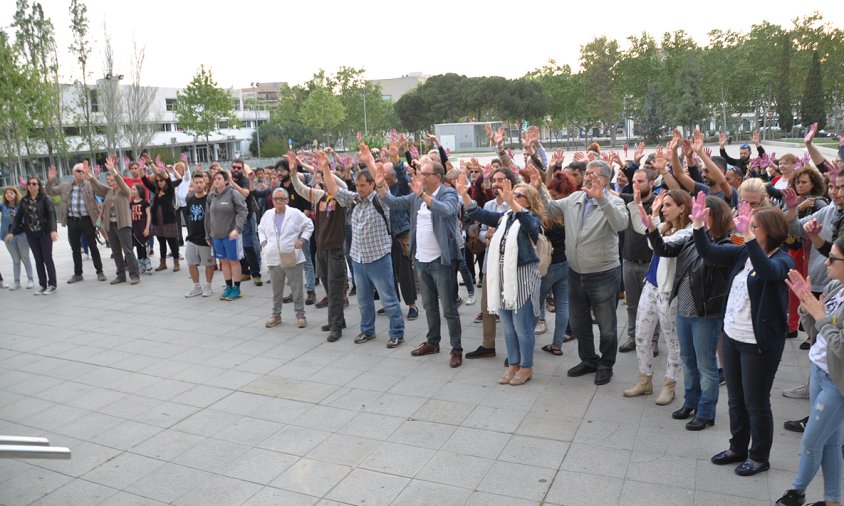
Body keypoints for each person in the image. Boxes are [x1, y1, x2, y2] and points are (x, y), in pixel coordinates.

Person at [694, 201, 793, 477]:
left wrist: (748, 239)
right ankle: (737, 447)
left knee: (756, 402)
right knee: (736, 399)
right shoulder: (743, 253)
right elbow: (709, 252)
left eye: (754, 225)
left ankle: (759, 456)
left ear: (769, 231)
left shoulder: (782, 260)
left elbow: (767, 272)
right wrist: (699, 225)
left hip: (758, 344)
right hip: (733, 337)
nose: (746, 228)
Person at [537, 160, 629, 385]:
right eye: (588, 173)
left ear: (606, 180)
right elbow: (549, 208)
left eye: (595, 175)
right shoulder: (575, 198)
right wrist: (538, 187)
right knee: (579, 323)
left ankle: (606, 364)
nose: (588, 177)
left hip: (603, 273)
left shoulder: (615, 202)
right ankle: (589, 360)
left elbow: (620, 224)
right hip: (575, 272)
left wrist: (601, 198)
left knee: (607, 326)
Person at [375, 153, 464, 363]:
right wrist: (380, 187)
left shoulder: (448, 193)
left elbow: (448, 211)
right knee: (429, 305)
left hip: (441, 261)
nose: (421, 176)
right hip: (422, 260)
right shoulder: (416, 196)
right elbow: (393, 203)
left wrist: (424, 196)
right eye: (420, 173)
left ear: (438, 176)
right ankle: (433, 342)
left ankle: (456, 348)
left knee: (449, 308)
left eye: (425, 173)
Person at [776, 245, 844, 506]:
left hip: (837, 382)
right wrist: (806, 305)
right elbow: (815, 328)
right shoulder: (836, 287)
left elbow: (839, 346)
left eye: (833, 258)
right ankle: (832, 502)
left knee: (811, 441)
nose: (825, 263)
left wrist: (818, 314)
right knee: (830, 441)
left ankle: (797, 491)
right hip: (819, 371)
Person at [459, 175, 543, 384]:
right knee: (508, 326)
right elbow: (480, 213)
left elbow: (531, 227)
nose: (511, 197)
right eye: (512, 194)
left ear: (528, 201)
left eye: (517, 195)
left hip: (521, 279)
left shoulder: (530, 218)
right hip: (503, 278)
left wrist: (512, 203)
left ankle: (526, 367)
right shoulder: (505, 217)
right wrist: (464, 196)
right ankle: (513, 363)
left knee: (522, 327)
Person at [324, 146, 405, 349]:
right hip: (358, 259)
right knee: (363, 300)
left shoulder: (380, 200)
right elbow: (333, 189)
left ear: (371, 185)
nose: (359, 189)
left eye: (363, 185)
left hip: (379, 259)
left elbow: (382, 185)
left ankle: (396, 332)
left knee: (388, 300)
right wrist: (325, 168)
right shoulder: (353, 200)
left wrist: (369, 160)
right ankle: (367, 330)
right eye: (357, 185)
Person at [623, 188, 693, 406]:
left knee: (673, 341)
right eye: (663, 205)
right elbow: (647, 236)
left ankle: (669, 385)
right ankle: (645, 380)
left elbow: (662, 247)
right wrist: (645, 211)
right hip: (651, 286)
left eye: (668, 205)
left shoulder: (688, 233)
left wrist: (651, 224)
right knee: (642, 336)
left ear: (682, 208)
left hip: (669, 293)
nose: (664, 209)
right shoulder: (665, 226)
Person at [258, 187, 313, 329]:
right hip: (273, 255)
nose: (278, 201)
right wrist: (264, 243)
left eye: (281, 199)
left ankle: (300, 315)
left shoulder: (295, 214)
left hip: (290, 254)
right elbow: (260, 229)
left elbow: (309, 225)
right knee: (277, 289)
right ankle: (276, 315)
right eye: (276, 199)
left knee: (296, 287)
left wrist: (302, 240)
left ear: (287, 200)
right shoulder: (268, 214)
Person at [534, 171, 576, 354]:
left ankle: (525, 343)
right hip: (565, 263)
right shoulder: (571, 211)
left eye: (555, 194)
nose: (551, 198)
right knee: (563, 305)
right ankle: (557, 345)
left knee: (535, 306)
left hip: (547, 266)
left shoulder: (548, 214)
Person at [46, 162, 107, 283]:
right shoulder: (66, 186)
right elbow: (50, 192)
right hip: (72, 220)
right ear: (73, 173)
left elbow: (102, 192)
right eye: (79, 171)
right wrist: (50, 180)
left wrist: (92, 178)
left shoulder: (90, 185)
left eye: (83, 171)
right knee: (75, 248)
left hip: (87, 220)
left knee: (93, 246)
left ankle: (100, 271)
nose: (81, 173)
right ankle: (78, 273)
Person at [91, 155, 141, 285]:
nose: (110, 182)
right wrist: (90, 177)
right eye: (108, 180)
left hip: (123, 225)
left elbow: (122, 183)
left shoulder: (125, 191)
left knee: (128, 251)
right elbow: (97, 186)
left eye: (112, 180)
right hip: (111, 226)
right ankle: (120, 275)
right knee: (116, 252)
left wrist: (114, 171)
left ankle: (134, 275)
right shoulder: (108, 192)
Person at [7, 176, 57, 294]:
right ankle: (42, 285)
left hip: (44, 233)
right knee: (38, 259)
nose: (31, 186)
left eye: (34, 184)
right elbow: (18, 218)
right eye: (29, 184)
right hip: (31, 234)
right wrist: (11, 232)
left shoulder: (45, 199)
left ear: (39, 186)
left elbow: (51, 215)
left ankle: (52, 284)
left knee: (47, 258)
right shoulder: (24, 200)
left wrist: (53, 230)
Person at [205, 171, 248, 301]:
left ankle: (237, 288)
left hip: (231, 235)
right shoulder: (211, 196)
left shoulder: (233, 194)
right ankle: (228, 286)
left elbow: (243, 211)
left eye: (219, 178)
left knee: (233, 261)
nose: (216, 181)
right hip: (216, 235)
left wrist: (237, 229)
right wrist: (208, 235)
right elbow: (207, 217)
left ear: (226, 181)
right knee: (223, 261)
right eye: (215, 179)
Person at [142, 161, 183, 272]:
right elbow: (146, 182)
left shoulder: (170, 189)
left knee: (172, 242)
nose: (159, 182)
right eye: (158, 181)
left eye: (162, 180)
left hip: (168, 220)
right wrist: (142, 172)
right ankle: (163, 263)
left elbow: (171, 182)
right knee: (161, 242)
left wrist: (152, 164)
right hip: (158, 221)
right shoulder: (156, 190)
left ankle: (176, 262)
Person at [184, 172, 215, 297]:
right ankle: (196, 286)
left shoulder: (209, 199)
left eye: (201, 182)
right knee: (191, 262)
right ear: (192, 184)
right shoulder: (190, 200)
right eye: (196, 182)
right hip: (192, 237)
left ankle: (208, 286)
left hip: (205, 237)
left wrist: (211, 235)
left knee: (209, 263)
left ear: (205, 183)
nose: (198, 185)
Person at [1, 186, 34, 289]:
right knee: (15, 259)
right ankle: (16, 281)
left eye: (11, 193)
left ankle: (30, 279)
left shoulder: (21, 205)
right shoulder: (3, 207)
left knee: (25, 257)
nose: (9, 195)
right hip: (9, 237)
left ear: (16, 194)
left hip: (22, 235)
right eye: (7, 193)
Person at [130, 184, 152, 275]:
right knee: (138, 245)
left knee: (144, 245)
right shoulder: (131, 203)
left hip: (143, 226)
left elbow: (148, 215)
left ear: (139, 191)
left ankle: (147, 261)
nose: (132, 190)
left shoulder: (144, 202)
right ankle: (141, 262)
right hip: (135, 228)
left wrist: (147, 228)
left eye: (134, 189)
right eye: (132, 189)